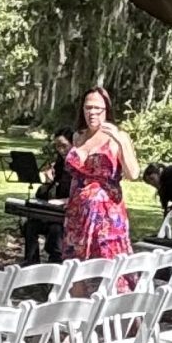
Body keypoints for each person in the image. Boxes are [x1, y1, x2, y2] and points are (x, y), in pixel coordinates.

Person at [63, 88, 138, 262]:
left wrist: (119, 140)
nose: (93, 113)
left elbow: (133, 174)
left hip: (106, 214)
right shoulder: (78, 137)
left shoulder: (119, 137)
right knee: (75, 265)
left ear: (107, 110)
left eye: (98, 108)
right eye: (88, 108)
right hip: (77, 212)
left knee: (107, 264)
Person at [23, 137, 71, 265]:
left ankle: (55, 264)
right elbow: (42, 197)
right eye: (57, 146)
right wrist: (47, 183)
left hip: (67, 216)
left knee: (55, 230)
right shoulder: (58, 166)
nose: (61, 150)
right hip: (52, 214)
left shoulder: (76, 169)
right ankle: (31, 263)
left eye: (64, 146)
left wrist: (63, 201)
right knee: (30, 225)